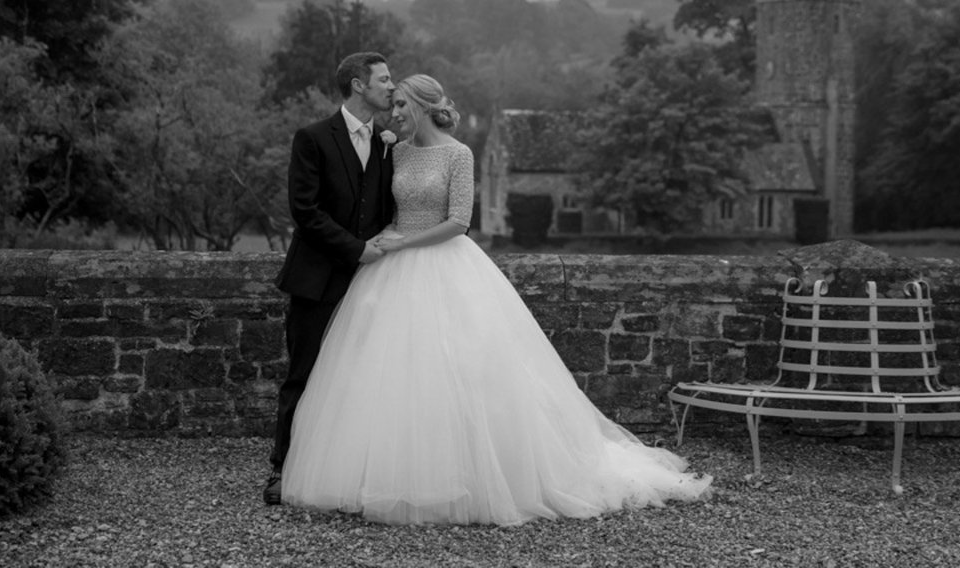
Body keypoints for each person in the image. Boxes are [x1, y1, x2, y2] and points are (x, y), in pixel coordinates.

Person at [280, 74, 711, 525]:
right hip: (390, 270)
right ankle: (382, 474)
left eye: (404, 104)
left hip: (442, 262)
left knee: (463, 370)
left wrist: (404, 243)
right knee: (390, 371)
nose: (396, 112)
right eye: (396, 104)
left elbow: (458, 222)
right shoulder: (395, 151)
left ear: (425, 107)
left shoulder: (459, 154)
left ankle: (473, 477)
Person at [263, 52, 397, 506]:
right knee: (302, 375)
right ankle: (283, 470)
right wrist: (356, 248)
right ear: (358, 85)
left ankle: (346, 472)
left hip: (371, 282)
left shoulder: (386, 143)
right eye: (383, 79)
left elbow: (384, 210)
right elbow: (305, 211)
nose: (390, 87)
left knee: (361, 378)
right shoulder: (314, 138)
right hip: (317, 277)